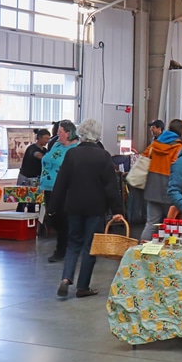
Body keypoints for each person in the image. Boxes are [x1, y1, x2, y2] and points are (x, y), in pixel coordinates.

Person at [51, 119, 124, 299]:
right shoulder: (104, 156)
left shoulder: (72, 154)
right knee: (90, 247)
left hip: (73, 206)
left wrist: (53, 206)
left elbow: (61, 182)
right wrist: (117, 209)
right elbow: (110, 186)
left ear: (81, 133)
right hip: (95, 208)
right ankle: (83, 287)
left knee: (73, 244)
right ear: (98, 135)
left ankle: (66, 278)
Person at [41, 121, 79, 263]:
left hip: (64, 189)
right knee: (52, 218)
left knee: (63, 220)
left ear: (68, 133)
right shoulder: (56, 144)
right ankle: (66, 246)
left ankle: (62, 250)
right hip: (49, 187)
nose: (57, 134)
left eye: (60, 131)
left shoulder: (75, 148)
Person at [141, 119, 182, 241]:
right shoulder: (178, 147)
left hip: (152, 188)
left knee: (151, 224)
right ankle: (168, 254)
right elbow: (178, 167)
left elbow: (144, 157)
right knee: (171, 225)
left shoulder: (155, 144)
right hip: (169, 190)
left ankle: (141, 252)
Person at [16, 128, 51, 214]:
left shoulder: (45, 150)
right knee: (22, 201)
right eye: (46, 138)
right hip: (26, 178)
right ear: (39, 137)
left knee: (33, 202)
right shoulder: (32, 149)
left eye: (49, 138)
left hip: (36, 178)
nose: (47, 141)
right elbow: (38, 156)